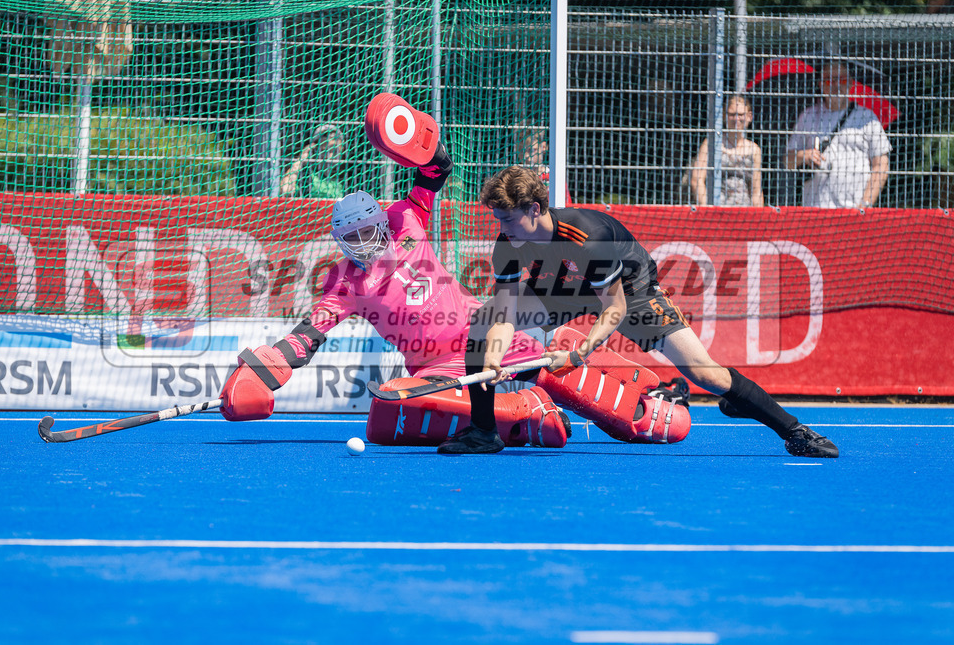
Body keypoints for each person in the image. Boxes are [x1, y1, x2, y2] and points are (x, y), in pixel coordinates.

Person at [219, 95, 687, 450]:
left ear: (382, 220)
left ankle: (643, 407)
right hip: (430, 365)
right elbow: (308, 335)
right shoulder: (343, 283)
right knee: (388, 413)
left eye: (368, 231)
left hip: (477, 337)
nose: (365, 244)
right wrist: (268, 369)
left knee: (544, 362)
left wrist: (416, 140)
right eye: (353, 239)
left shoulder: (406, 217)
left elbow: (436, 171)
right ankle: (528, 416)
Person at [436, 165, 838, 458]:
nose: (501, 227)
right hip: (560, 284)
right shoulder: (508, 241)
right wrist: (492, 356)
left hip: (630, 289)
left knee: (704, 374)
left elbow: (614, 308)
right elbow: (505, 308)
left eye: (507, 218)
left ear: (535, 209)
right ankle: (484, 432)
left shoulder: (586, 238)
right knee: (484, 322)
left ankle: (795, 431)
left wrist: (575, 355)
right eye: (497, 218)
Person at [784, 63, 891, 209]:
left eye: (842, 80)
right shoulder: (808, 116)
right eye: (829, 80)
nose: (836, 85)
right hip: (815, 209)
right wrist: (804, 155)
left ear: (851, 84)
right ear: (820, 84)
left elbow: (881, 164)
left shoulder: (866, 118)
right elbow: (787, 161)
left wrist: (865, 204)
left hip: (854, 210)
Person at [690, 95, 764, 207]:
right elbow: (697, 180)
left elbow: (756, 190)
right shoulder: (711, 143)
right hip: (717, 210)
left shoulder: (754, 150)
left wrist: (759, 218)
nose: (736, 119)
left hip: (745, 214)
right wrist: (707, 207)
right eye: (732, 114)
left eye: (741, 115)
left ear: (749, 116)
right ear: (725, 116)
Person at [279, 123, 347, 198]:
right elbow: (285, 191)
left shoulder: (344, 179)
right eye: (324, 150)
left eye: (335, 151)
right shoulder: (307, 175)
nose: (329, 157)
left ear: (342, 151)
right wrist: (300, 161)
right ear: (315, 150)